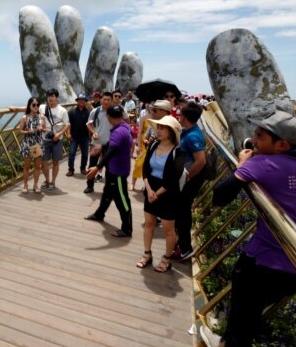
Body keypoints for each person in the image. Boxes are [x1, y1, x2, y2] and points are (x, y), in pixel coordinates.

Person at [212, 110, 296, 347]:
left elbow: (219, 197)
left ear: (281, 145)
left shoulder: (264, 163)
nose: (253, 141)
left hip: (264, 267)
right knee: (250, 320)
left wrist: (243, 165)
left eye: (259, 136)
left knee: (239, 331)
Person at [135, 115, 185, 272]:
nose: (159, 130)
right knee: (149, 223)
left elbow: (174, 177)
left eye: (163, 128)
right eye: (159, 127)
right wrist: (149, 189)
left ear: (171, 132)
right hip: (151, 188)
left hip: (168, 193)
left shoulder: (179, 152)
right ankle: (147, 254)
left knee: (168, 229)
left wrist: (157, 193)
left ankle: (166, 258)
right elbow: (145, 169)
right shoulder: (153, 145)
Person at [84, 105, 134, 237]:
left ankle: (127, 228)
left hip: (118, 171)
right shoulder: (124, 127)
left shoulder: (118, 132)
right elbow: (113, 145)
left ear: (109, 117)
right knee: (108, 192)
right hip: (114, 168)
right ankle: (99, 214)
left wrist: (97, 167)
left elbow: (111, 152)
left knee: (122, 199)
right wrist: (101, 147)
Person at [172, 102, 207, 261]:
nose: (179, 116)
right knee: (180, 212)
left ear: (184, 117)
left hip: (189, 180)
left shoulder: (193, 136)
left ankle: (185, 248)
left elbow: (201, 161)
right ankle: (181, 243)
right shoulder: (189, 131)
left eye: (180, 114)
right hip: (185, 177)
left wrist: (187, 177)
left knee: (182, 213)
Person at [39, 88, 70, 190]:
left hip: (57, 139)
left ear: (57, 97)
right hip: (44, 138)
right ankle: (47, 180)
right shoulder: (43, 108)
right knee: (44, 162)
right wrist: (15, 109)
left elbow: (67, 124)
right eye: (48, 96)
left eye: (52, 96)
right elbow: (30, 109)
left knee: (55, 161)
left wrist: (59, 134)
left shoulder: (62, 111)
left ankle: (53, 182)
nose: (50, 98)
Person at [84, 92, 113, 194]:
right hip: (96, 143)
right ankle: (89, 186)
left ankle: (109, 188)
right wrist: (93, 132)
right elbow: (88, 124)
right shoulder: (95, 111)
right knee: (92, 164)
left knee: (109, 167)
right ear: (101, 100)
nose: (106, 101)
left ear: (111, 101)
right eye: (104, 99)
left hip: (110, 144)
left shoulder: (114, 112)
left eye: (108, 100)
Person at [18, 97, 46, 194]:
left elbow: (45, 129)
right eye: (34, 105)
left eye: (37, 105)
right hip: (28, 143)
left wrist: (41, 129)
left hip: (37, 144)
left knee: (37, 166)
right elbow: (20, 130)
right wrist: (27, 131)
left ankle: (35, 185)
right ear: (29, 106)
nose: (36, 107)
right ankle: (25, 185)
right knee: (27, 166)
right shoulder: (24, 117)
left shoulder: (42, 117)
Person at [66, 93, 90, 176]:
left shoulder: (88, 112)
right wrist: (68, 134)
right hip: (74, 136)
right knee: (72, 153)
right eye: (80, 100)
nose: (81, 101)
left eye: (83, 100)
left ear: (85, 101)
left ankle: (83, 168)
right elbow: (68, 124)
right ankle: (71, 169)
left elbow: (90, 124)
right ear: (77, 101)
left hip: (85, 136)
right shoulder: (72, 111)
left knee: (85, 154)